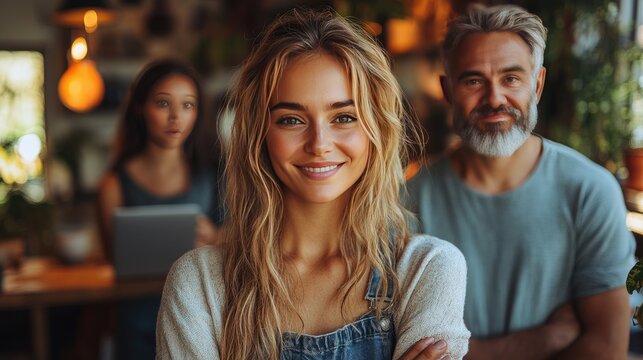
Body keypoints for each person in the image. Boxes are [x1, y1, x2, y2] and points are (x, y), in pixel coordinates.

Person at [157, 8, 470, 360]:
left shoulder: (427, 269)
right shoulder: (199, 284)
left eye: (344, 117)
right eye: (291, 119)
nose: (319, 143)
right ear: (260, 135)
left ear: (375, 130)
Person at [405, 4, 636, 359]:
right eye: (473, 80)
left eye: (511, 78)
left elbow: (606, 348)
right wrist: (544, 340)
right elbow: (409, 350)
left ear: (537, 84)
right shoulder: (408, 200)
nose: (495, 98)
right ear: (448, 91)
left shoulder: (590, 191)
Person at [96, 59, 225, 359]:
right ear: (141, 107)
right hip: (136, 319)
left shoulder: (213, 174)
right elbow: (115, 263)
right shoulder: (113, 185)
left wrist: (219, 236)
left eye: (188, 105)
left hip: (200, 315)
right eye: (163, 103)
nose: (176, 117)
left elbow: (245, 235)